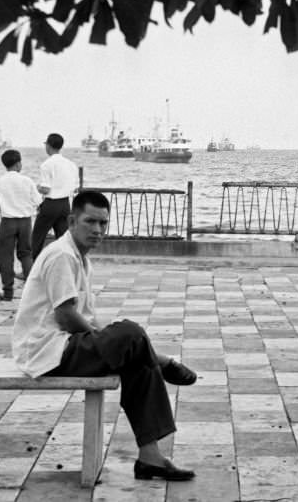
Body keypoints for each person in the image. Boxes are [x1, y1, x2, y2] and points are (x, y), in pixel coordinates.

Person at [12, 191, 197, 481]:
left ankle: (150, 458)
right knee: (131, 332)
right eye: (90, 222)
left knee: (136, 357)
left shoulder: (80, 258)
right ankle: (161, 360)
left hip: (68, 346)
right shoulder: (61, 255)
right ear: (72, 221)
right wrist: (107, 338)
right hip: (48, 351)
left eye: (103, 223)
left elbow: (86, 317)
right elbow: (66, 316)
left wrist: (107, 340)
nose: (97, 230)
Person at [0, 149, 42, 301]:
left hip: (7, 221)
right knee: (25, 253)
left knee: (5, 255)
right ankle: (33, 291)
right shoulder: (27, 181)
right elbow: (38, 201)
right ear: (19, 163)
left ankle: (8, 292)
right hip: (25, 221)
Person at [31, 133, 80, 260]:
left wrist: (37, 188)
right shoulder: (71, 165)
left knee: (37, 237)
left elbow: (46, 189)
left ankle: (30, 269)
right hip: (65, 204)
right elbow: (75, 186)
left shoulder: (47, 165)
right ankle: (68, 264)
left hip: (51, 204)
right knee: (64, 239)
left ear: (48, 146)